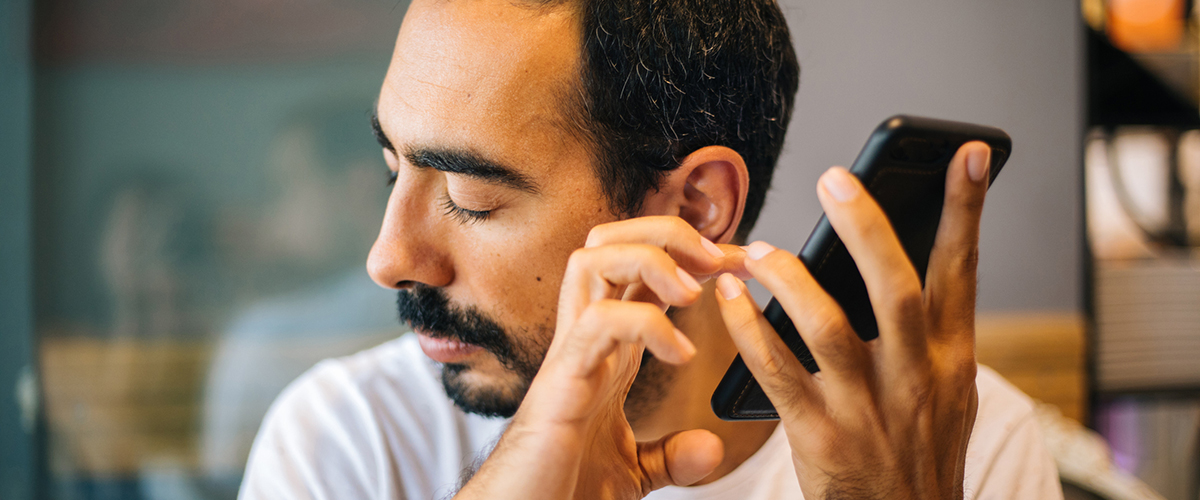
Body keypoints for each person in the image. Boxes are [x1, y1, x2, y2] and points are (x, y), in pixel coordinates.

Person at [240, 0, 1063, 498]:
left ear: (698, 207)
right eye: (393, 170)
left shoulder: (957, 447)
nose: (389, 258)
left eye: (471, 196)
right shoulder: (347, 437)